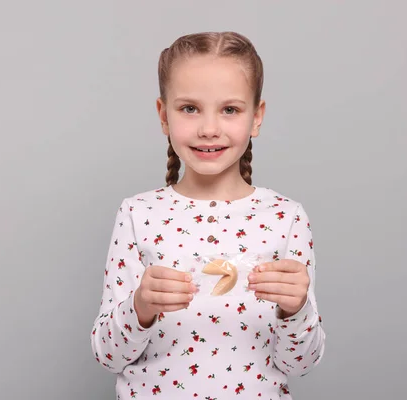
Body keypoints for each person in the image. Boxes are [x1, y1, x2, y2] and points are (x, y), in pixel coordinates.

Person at [90, 31, 326, 399]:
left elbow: (301, 364)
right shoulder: (139, 214)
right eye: (189, 108)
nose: (209, 128)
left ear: (256, 117)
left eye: (230, 109)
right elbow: (108, 355)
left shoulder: (285, 218)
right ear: (163, 115)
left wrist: (296, 310)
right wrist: (140, 307)